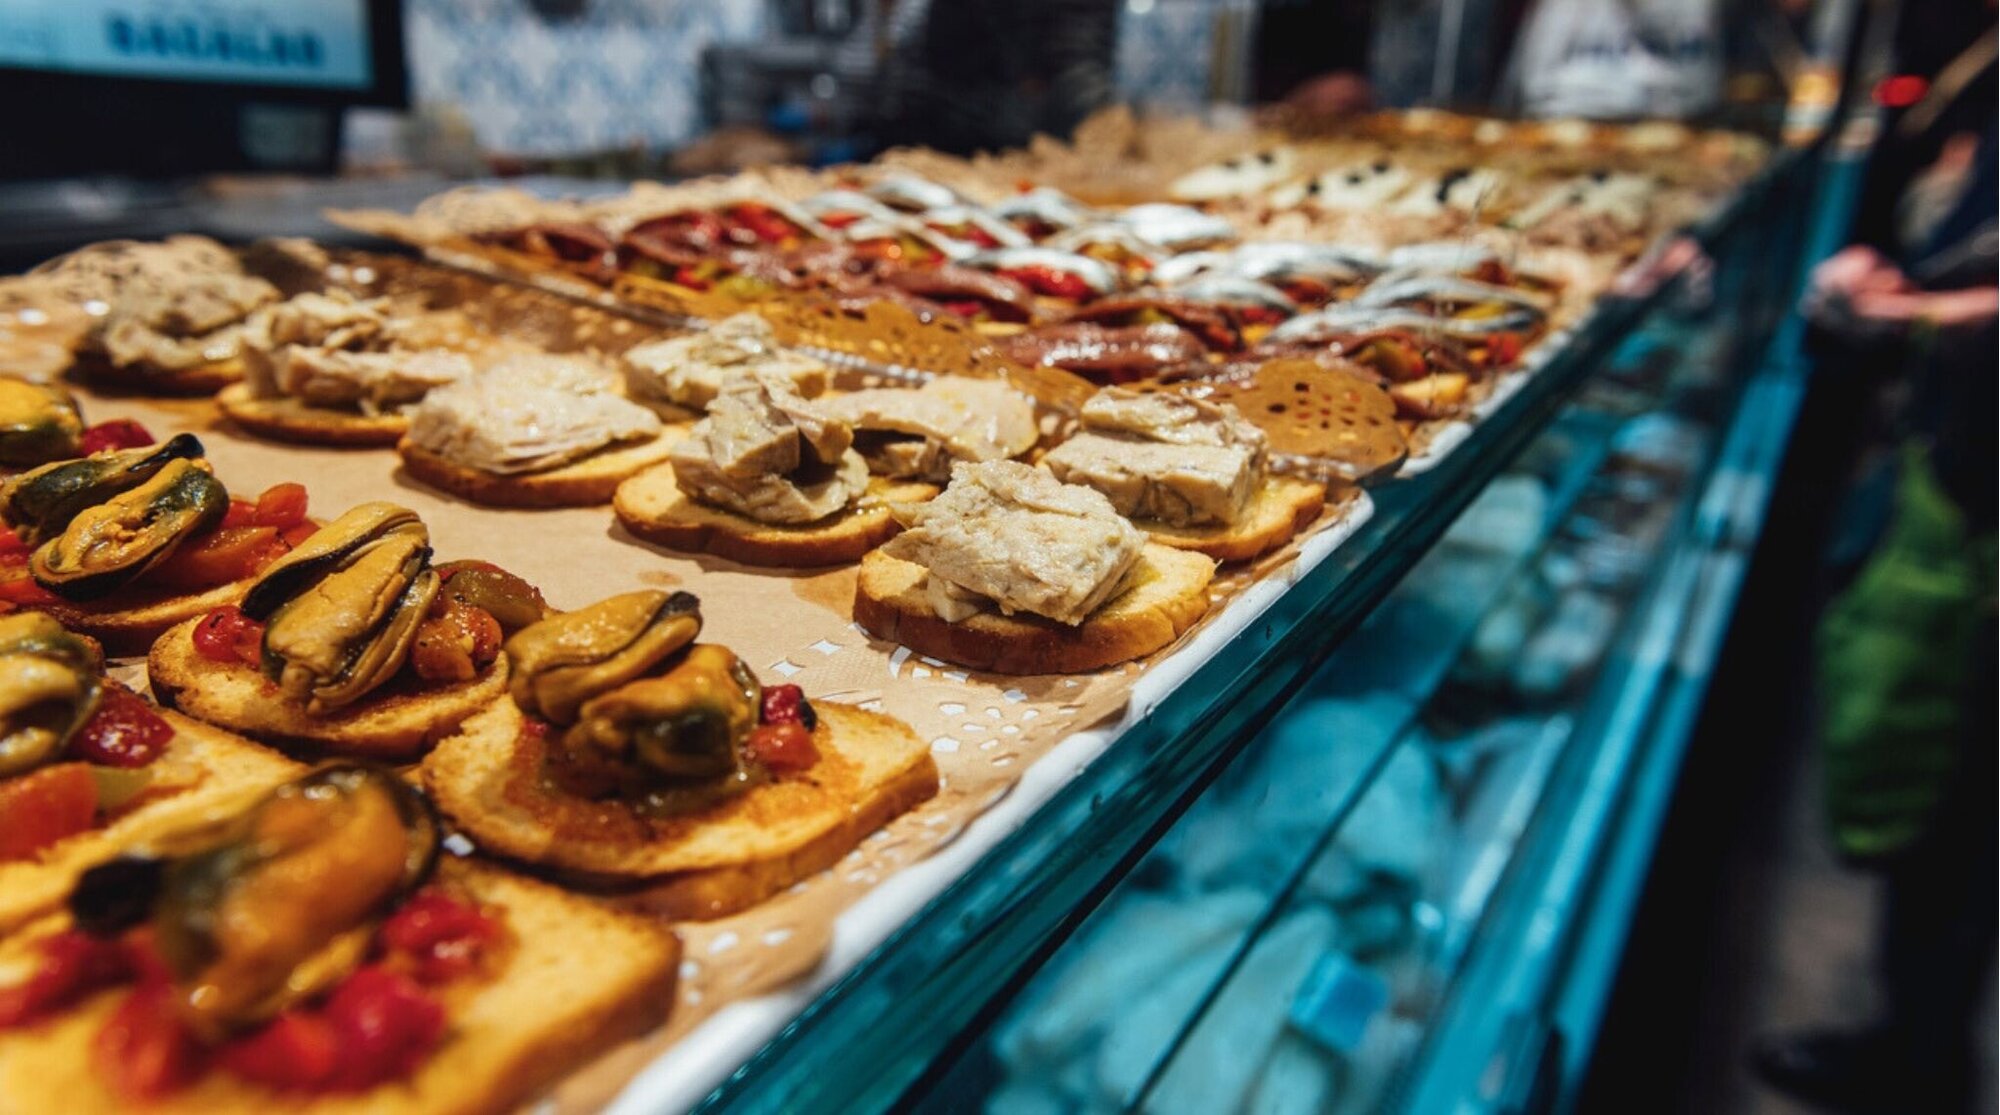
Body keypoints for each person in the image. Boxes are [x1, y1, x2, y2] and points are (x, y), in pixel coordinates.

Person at [1752, 22, 1997, 1113]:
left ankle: (1917, 1060)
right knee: (1943, 797)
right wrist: (1907, 274)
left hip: (1977, 491)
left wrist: (1912, 312)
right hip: (1950, 462)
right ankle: (1914, 1040)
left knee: (1957, 790)